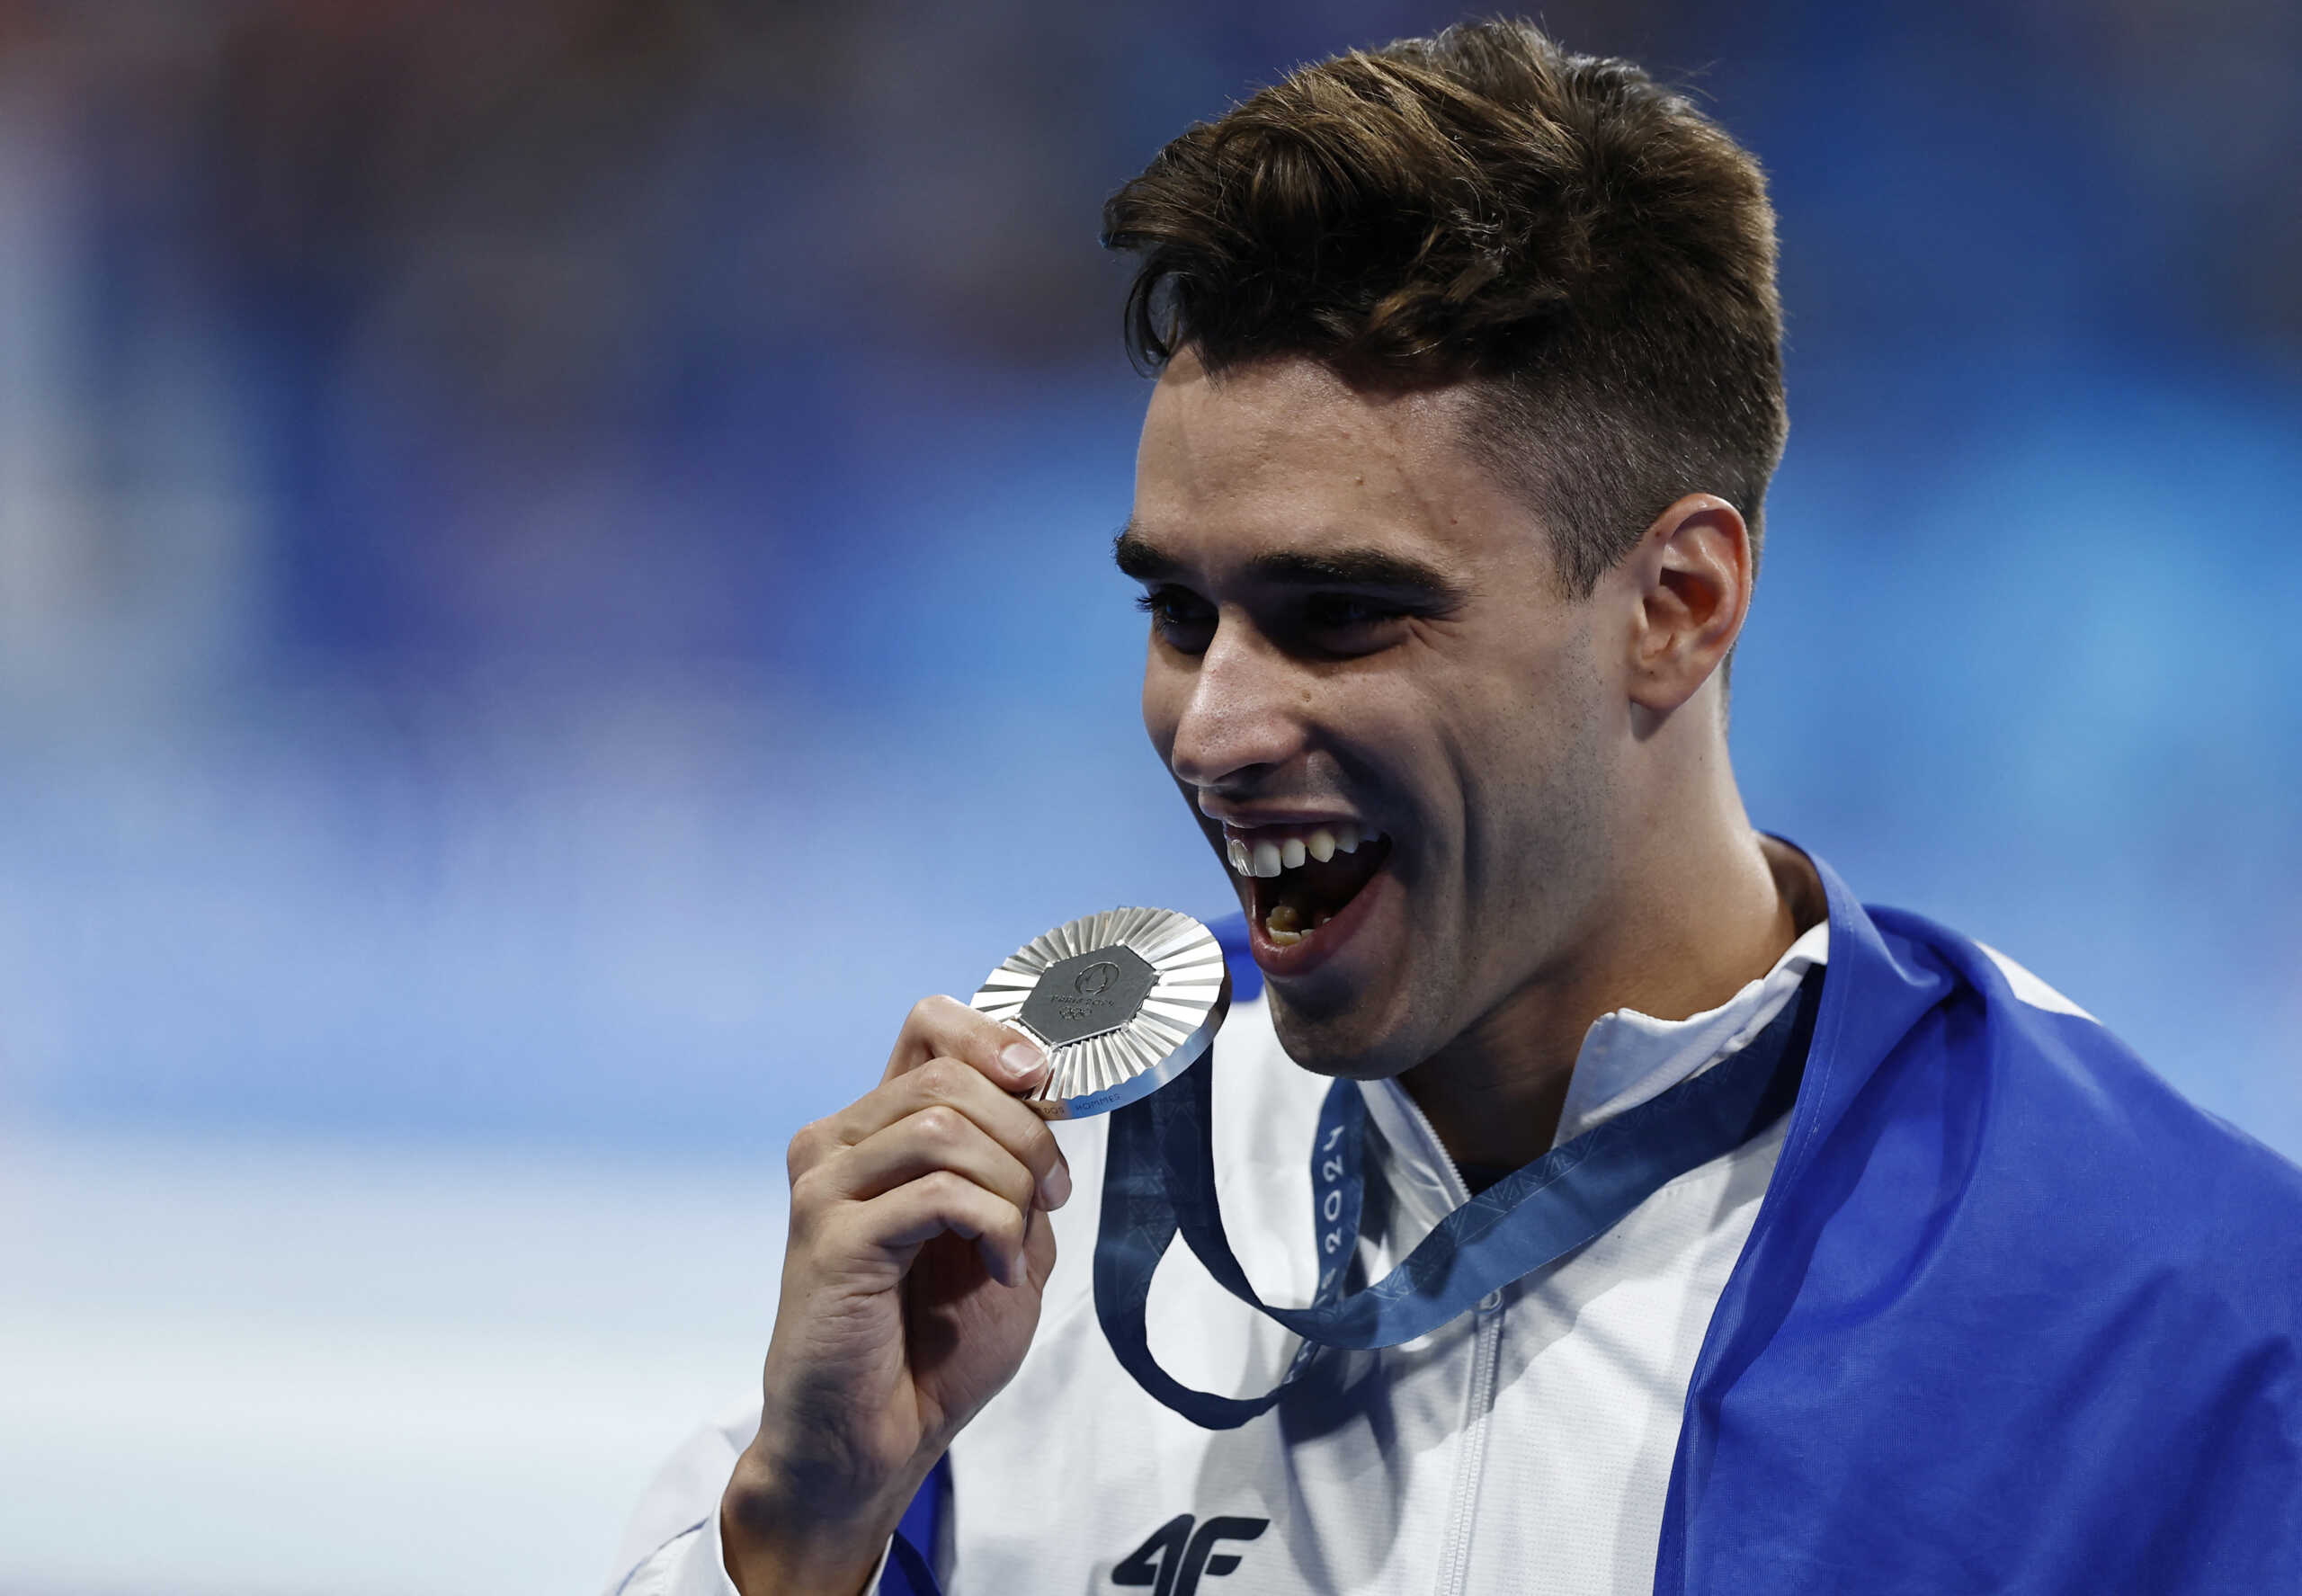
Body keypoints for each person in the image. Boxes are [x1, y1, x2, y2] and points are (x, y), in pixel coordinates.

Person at [607, 21, 2302, 1596]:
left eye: (1342, 615)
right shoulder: (1008, 1225)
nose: (1215, 725)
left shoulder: (2160, 1309)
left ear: (1679, 606)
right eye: (1179, 613)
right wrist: (803, 1531)